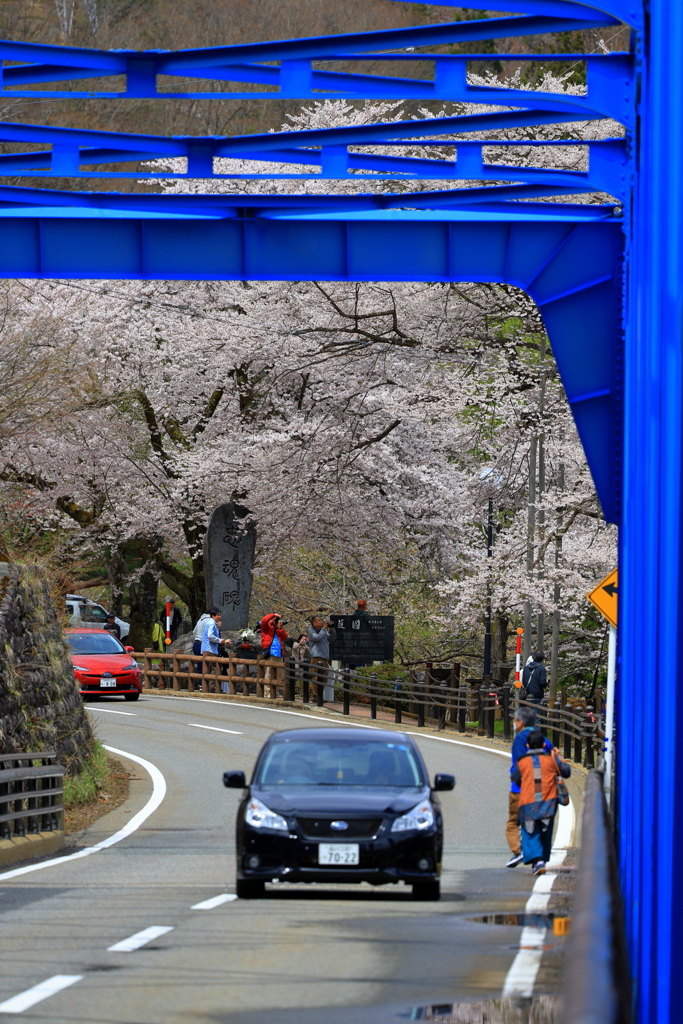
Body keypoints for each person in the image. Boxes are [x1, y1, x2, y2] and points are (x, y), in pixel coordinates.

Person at [511, 729, 571, 875]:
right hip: (548, 804)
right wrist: (557, 757)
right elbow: (566, 771)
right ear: (544, 744)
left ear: (528, 745)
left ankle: (537, 860)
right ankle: (541, 860)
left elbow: (515, 778)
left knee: (529, 831)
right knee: (545, 830)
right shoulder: (551, 760)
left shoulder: (522, 762)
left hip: (528, 804)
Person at [505, 706, 552, 867]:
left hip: (521, 788)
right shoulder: (543, 739)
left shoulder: (520, 739)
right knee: (536, 822)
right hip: (542, 788)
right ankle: (537, 857)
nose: (514, 723)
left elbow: (520, 764)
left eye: (515, 720)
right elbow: (551, 754)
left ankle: (518, 852)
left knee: (514, 822)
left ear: (521, 722)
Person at [307, 615, 337, 703]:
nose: (321, 622)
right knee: (316, 677)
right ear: (314, 623)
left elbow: (331, 639)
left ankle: (320, 695)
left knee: (324, 677)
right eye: (319, 620)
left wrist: (332, 630)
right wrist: (324, 629)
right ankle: (316, 697)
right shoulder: (311, 631)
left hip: (324, 657)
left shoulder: (322, 632)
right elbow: (317, 638)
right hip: (316, 657)